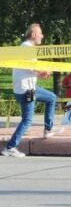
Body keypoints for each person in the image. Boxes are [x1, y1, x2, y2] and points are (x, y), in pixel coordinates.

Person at [2, 24, 64, 158]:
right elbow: (31, 66)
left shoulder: (25, 47)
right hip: (27, 91)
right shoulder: (27, 48)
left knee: (51, 98)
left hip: (27, 89)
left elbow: (27, 69)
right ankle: (10, 147)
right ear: (33, 35)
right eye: (40, 33)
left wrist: (40, 73)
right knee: (27, 120)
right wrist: (42, 71)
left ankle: (48, 129)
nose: (42, 36)